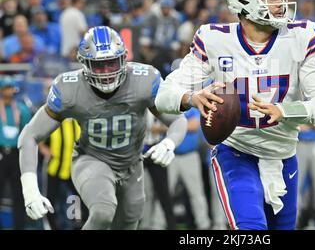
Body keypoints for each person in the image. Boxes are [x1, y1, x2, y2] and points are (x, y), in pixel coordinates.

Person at [155, 0, 315, 230]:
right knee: (251, 227)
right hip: (236, 151)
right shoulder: (214, 40)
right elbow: (163, 95)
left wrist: (284, 111)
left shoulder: (301, 37)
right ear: (245, 0)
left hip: (283, 153)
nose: (280, 2)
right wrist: (191, 98)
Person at [18, 26, 188, 230]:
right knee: (103, 210)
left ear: (124, 58)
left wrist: (170, 143)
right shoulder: (69, 88)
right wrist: (30, 190)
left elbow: (178, 120)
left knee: (129, 221)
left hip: (132, 164)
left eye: (112, 63)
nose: (107, 72)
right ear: (84, 64)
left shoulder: (144, 80)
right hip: (92, 159)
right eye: (99, 66)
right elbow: (30, 135)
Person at [0, 76, 32, 229]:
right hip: (1, 153)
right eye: (6, 87)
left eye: (10, 87)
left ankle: (19, 226)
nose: (8, 91)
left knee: (18, 194)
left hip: (15, 154)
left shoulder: (22, 109)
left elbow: (28, 134)